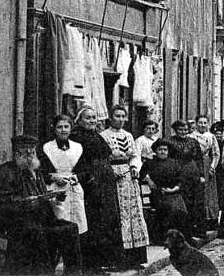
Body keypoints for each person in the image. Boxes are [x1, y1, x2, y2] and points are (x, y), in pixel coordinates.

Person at [0, 135, 82, 275]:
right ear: (16, 154)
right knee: (37, 232)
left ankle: (73, 272)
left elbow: (43, 195)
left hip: (38, 218)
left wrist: (55, 197)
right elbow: (2, 204)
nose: (30, 158)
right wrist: (25, 203)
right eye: (26, 154)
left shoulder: (35, 171)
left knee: (70, 228)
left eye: (32, 153)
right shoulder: (4, 172)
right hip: (14, 221)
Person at [71, 106, 124, 270]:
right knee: (93, 220)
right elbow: (77, 162)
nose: (92, 121)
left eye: (94, 117)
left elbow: (106, 155)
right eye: (88, 118)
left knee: (107, 219)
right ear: (79, 120)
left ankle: (104, 261)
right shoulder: (76, 137)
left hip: (105, 181)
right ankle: (91, 264)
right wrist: (89, 178)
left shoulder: (96, 136)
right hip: (91, 182)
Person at [100, 105, 150, 267]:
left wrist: (135, 167)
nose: (120, 119)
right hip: (113, 179)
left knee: (133, 214)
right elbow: (101, 160)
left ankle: (135, 258)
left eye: (123, 116)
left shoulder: (128, 136)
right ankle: (118, 259)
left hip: (129, 178)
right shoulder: (103, 136)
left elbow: (135, 156)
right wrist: (109, 172)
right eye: (117, 116)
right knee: (118, 215)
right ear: (110, 118)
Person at [40, 114, 88, 235]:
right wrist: (53, 177)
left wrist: (77, 177)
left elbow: (85, 170)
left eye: (66, 126)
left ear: (71, 128)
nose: (63, 130)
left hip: (73, 188)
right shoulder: (47, 148)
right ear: (54, 129)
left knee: (76, 224)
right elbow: (41, 171)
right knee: (59, 224)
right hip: (55, 188)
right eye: (59, 127)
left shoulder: (78, 147)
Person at [142, 138, 190, 241]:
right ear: (155, 151)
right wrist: (148, 180)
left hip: (174, 192)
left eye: (165, 149)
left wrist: (174, 189)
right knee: (170, 208)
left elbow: (181, 179)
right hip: (158, 194)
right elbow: (141, 174)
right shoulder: (150, 163)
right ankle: (165, 238)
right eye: (160, 149)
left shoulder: (174, 163)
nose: (163, 152)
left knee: (181, 210)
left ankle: (180, 238)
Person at [168, 120, 206, 238]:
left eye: (185, 130)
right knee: (183, 202)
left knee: (196, 202)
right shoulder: (170, 141)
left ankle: (197, 230)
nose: (183, 132)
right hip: (178, 173)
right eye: (180, 130)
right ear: (175, 130)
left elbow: (199, 159)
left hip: (192, 172)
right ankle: (183, 232)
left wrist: (201, 175)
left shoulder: (193, 142)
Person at [191, 114, 220, 230]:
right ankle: (199, 220)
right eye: (200, 123)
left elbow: (216, 153)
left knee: (210, 193)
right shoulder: (192, 137)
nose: (202, 125)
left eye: (205, 123)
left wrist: (212, 167)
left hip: (207, 164)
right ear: (196, 124)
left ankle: (211, 219)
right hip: (196, 164)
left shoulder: (211, 137)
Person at [211, 121, 224, 218]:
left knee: (223, 193)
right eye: (217, 134)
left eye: (221, 134)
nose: (219, 136)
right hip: (214, 170)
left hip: (223, 172)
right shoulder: (212, 143)